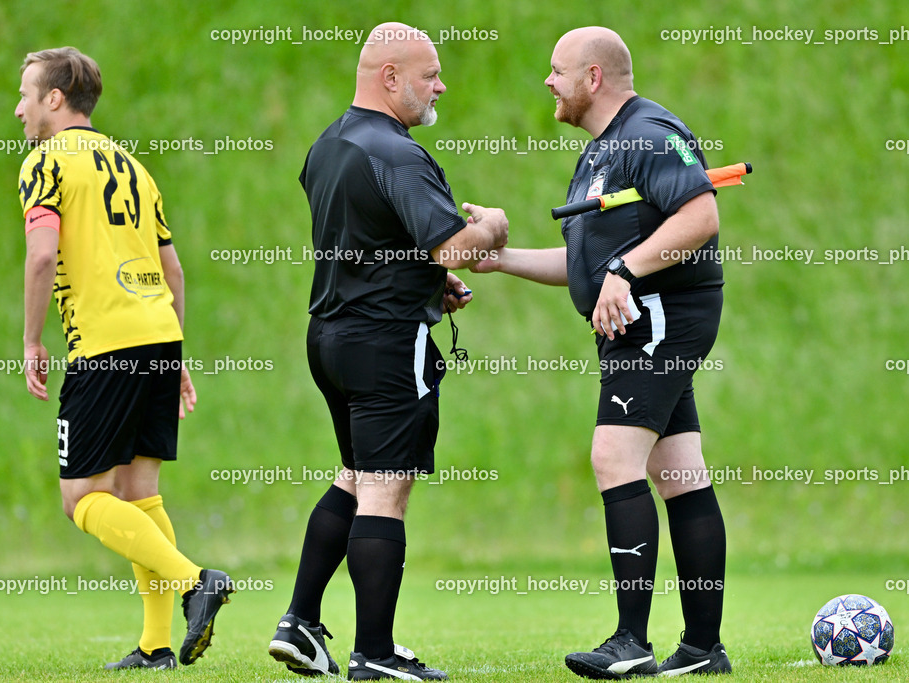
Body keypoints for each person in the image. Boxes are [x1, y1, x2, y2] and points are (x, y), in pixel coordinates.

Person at [473, 26, 731, 677]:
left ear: (592, 77)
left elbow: (700, 216)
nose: (547, 82)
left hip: (657, 321)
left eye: (557, 70)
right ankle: (702, 650)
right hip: (637, 323)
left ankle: (630, 642)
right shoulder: (600, 152)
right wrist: (499, 259)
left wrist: (626, 271)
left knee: (613, 456)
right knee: (679, 472)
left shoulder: (648, 133)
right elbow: (585, 264)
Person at [267, 22, 508, 681]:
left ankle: (299, 622)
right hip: (385, 343)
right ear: (390, 77)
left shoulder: (327, 144)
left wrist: (425, 280)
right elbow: (454, 245)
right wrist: (492, 227)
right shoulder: (397, 151)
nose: (441, 86)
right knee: (385, 489)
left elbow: (369, 238)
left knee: (354, 475)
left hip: (329, 337)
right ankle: (374, 652)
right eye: (431, 74)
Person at [17, 47, 233, 670]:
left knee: (81, 498)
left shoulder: (44, 161)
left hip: (105, 342)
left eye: (25, 95)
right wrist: (175, 351)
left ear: (54, 98)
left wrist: (31, 341)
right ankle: (156, 645)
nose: (19, 109)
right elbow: (173, 270)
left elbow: (41, 255)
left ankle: (196, 582)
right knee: (139, 492)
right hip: (158, 333)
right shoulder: (133, 165)